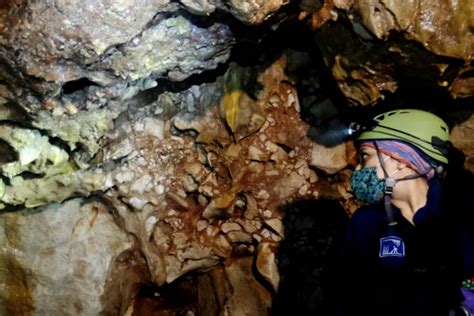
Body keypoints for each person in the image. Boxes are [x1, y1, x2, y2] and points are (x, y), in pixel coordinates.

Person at [332, 108, 473, 316]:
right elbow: (344, 296)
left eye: (365, 157)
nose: (359, 170)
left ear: (401, 160)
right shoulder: (365, 223)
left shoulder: (462, 211)